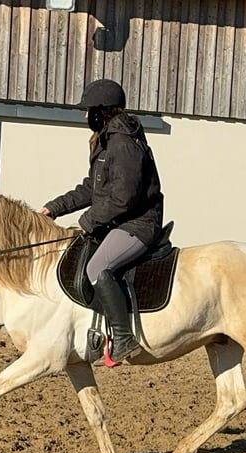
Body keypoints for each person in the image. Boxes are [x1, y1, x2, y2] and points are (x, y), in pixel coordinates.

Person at [39, 79, 164, 365]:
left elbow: (123, 199)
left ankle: (123, 339)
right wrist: (54, 208)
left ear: (103, 110)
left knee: (98, 266)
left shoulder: (122, 144)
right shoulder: (106, 141)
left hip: (139, 224)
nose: (85, 116)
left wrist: (87, 221)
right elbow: (91, 189)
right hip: (120, 222)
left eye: (89, 110)